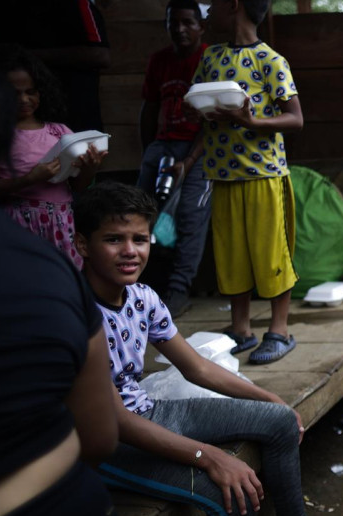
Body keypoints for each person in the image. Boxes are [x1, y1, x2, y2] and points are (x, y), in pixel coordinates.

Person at [0, 48, 119, 516]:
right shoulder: (45, 272)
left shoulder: (52, 262)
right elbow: (100, 439)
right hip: (73, 504)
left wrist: (86, 169)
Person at [74, 182, 309, 516]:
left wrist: (270, 399)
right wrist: (209, 457)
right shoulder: (73, 310)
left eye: (139, 240)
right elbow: (116, 421)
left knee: (281, 421)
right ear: (83, 244)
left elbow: (197, 368)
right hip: (105, 445)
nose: (130, 251)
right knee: (234, 495)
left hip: (148, 413)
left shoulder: (142, 297)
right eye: (114, 239)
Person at [185, 0, 305, 363]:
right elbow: (199, 111)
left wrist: (252, 123)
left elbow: (295, 118)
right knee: (231, 254)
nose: (208, 11)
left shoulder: (270, 60)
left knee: (270, 253)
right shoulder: (211, 58)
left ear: (234, 5)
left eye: (215, 3)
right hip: (222, 174)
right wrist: (190, 158)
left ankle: (279, 331)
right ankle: (241, 330)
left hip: (263, 175)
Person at [0, 44, 107, 268]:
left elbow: (78, 186)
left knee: (63, 280)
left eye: (31, 92)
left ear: (41, 91)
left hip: (61, 224)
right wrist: (30, 179)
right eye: (14, 93)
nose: (23, 99)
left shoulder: (59, 133)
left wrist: (90, 168)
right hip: (18, 224)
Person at [137, 0, 212, 317]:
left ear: (200, 27)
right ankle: (140, 287)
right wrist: (150, 152)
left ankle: (179, 290)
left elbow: (212, 120)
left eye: (187, 22)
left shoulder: (209, 59)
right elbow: (149, 108)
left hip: (199, 149)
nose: (179, 29)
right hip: (162, 146)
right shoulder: (160, 61)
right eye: (173, 23)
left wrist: (189, 161)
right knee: (140, 212)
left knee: (190, 217)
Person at [0, 0, 111, 132]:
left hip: (73, 119)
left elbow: (99, 55)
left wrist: (19, 54)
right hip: (16, 127)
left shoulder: (73, 4)